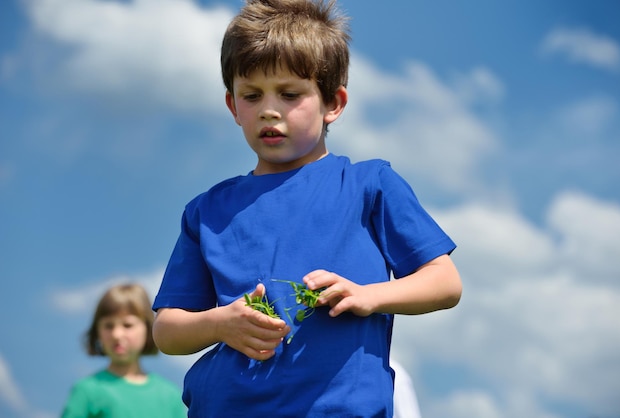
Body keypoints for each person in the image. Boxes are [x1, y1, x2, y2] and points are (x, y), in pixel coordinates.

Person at [152, 0, 462, 416]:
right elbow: (167, 330)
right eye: (252, 95)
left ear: (333, 102)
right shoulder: (206, 211)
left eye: (290, 93)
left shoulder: (369, 184)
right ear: (232, 107)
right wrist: (220, 323)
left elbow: (444, 282)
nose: (268, 109)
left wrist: (369, 295)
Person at [61, 283, 187, 418]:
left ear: (148, 329)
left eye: (127, 325)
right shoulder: (86, 391)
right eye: (108, 326)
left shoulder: (171, 396)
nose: (117, 334)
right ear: (97, 331)